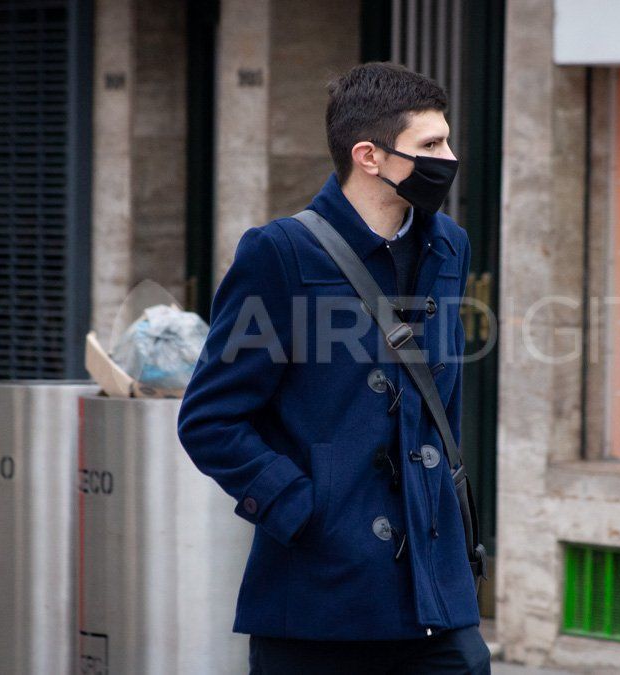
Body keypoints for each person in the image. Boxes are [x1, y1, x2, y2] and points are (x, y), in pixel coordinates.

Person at [176, 62, 489, 674]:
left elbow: (438, 402)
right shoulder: (280, 253)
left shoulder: (449, 246)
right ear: (369, 155)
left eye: (446, 140)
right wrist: (300, 509)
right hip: (318, 594)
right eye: (431, 145)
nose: (448, 158)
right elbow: (211, 419)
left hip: (434, 593)